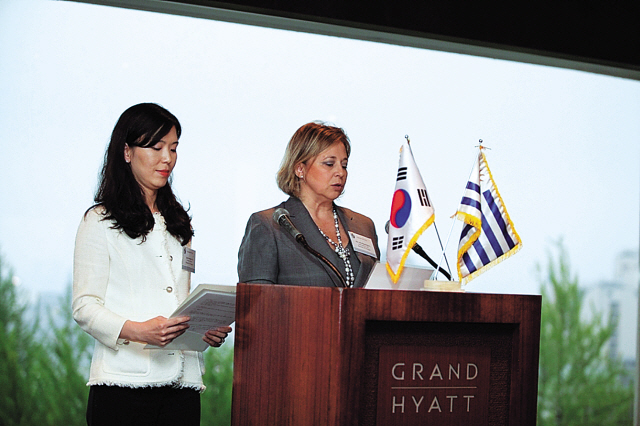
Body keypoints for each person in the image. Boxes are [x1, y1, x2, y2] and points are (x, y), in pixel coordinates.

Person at [72, 103, 231, 426]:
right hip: (123, 385)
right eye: (156, 147)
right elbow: (84, 307)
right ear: (127, 152)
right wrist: (139, 331)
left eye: (173, 148)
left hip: (183, 384)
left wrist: (203, 330)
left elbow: (178, 303)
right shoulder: (99, 221)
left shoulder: (178, 223)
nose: (167, 159)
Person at [237, 122, 380, 288]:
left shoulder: (363, 225)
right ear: (300, 169)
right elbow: (256, 304)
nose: (340, 172)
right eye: (329, 164)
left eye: (344, 165)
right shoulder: (269, 226)